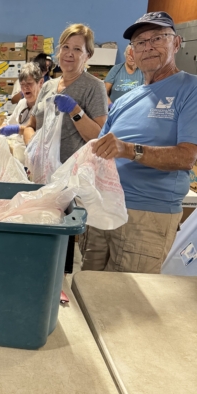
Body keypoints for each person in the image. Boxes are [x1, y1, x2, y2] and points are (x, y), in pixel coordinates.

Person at [82, 11, 197, 274]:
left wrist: (128, 150)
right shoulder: (124, 100)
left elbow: (187, 157)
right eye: (140, 42)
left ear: (176, 43)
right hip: (104, 208)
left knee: (125, 296)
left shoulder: (190, 89)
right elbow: (99, 151)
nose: (148, 47)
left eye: (158, 38)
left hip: (146, 216)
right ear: (132, 52)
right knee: (88, 287)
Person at [0, 23, 108, 274]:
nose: (70, 53)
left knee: (60, 246)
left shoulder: (94, 87)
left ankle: (57, 286)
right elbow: (33, 124)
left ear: (88, 55)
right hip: (42, 176)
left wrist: (75, 110)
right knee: (39, 239)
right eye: (66, 47)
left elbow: (97, 136)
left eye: (77, 49)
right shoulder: (48, 86)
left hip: (70, 181)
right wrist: (32, 147)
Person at [0, 63, 43, 129]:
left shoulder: (45, 106)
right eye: (22, 84)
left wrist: (18, 130)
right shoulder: (22, 103)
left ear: (41, 83)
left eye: (29, 83)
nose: (25, 88)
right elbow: (9, 123)